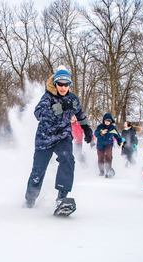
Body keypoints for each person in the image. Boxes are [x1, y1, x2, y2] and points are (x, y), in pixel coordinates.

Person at [24, 66, 92, 215]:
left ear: (69, 85)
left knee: (68, 158)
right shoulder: (47, 97)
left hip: (63, 136)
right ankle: (30, 200)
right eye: (60, 84)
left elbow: (80, 115)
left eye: (66, 84)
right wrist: (60, 107)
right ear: (55, 84)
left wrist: (87, 129)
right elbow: (39, 113)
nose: (63, 87)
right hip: (45, 138)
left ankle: (62, 197)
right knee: (38, 172)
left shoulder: (73, 99)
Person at [95, 113, 122, 178]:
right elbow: (96, 134)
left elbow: (117, 135)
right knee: (100, 158)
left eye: (109, 121)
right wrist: (101, 133)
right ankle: (101, 171)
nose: (107, 122)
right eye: (106, 121)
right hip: (100, 145)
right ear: (103, 121)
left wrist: (119, 141)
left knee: (108, 155)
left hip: (109, 144)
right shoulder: (100, 127)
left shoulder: (112, 128)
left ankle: (108, 170)